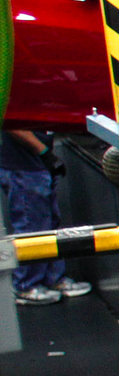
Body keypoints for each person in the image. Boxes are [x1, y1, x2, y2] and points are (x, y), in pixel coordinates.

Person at [3, 130, 92, 305]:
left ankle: (54, 278)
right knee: (31, 226)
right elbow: (10, 124)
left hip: (38, 163)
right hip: (24, 165)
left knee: (49, 224)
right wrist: (43, 151)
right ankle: (26, 285)